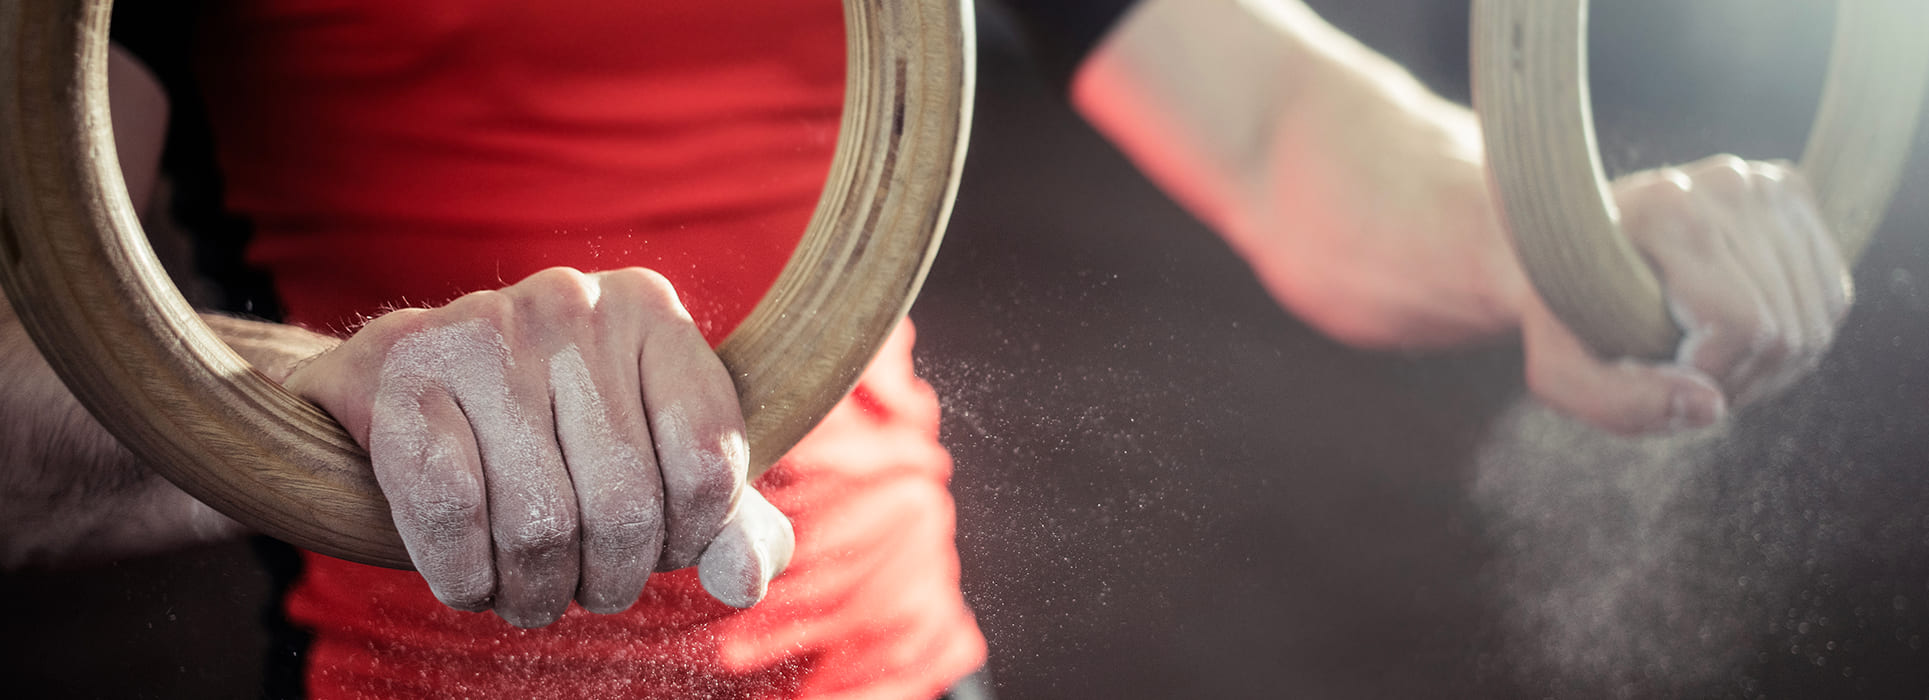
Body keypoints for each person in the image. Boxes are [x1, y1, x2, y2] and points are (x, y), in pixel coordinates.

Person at [0, 0, 1848, 697]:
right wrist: (343, 395)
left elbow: (1294, 137)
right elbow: (30, 368)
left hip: (893, 676)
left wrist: (1568, 230)